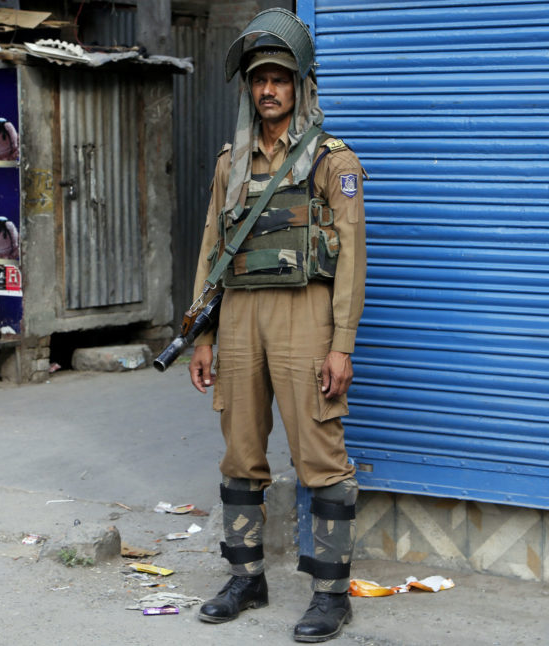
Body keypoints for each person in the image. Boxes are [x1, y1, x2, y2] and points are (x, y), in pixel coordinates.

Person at [186, 9, 367, 643]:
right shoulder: (229, 164)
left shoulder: (331, 161)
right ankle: (247, 577)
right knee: (240, 453)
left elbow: (351, 261)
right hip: (238, 318)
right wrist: (202, 333)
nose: (268, 89)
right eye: (260, 79)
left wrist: (340, 344)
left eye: (280, 79)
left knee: (320, 455)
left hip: (304, 316)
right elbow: (212, 249)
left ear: (300, 85)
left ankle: (330, 593)